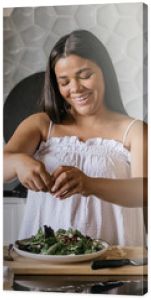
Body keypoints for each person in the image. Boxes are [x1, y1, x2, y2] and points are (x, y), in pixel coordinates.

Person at [4, 30, 147, 246]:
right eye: (64, 81)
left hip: (114, 260)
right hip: (44, 261)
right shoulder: (42, 124)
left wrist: (90, 184)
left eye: (85, 75)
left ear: (104, 72)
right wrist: (19, 162)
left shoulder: (135, 131)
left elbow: (145, 192)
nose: (75, 88)